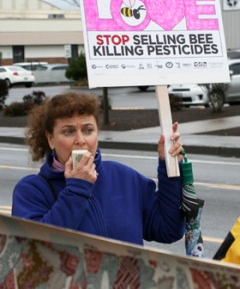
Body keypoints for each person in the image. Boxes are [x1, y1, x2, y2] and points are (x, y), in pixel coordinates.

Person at [12, 92, 185, 246]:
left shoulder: (123, 177)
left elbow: (168, 230)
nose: (80, 140)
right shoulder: (31, 190)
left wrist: (169, 166)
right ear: (50, 139)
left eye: (88, 130)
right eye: (68, 132)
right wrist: (77, 188)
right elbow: (35, 250)